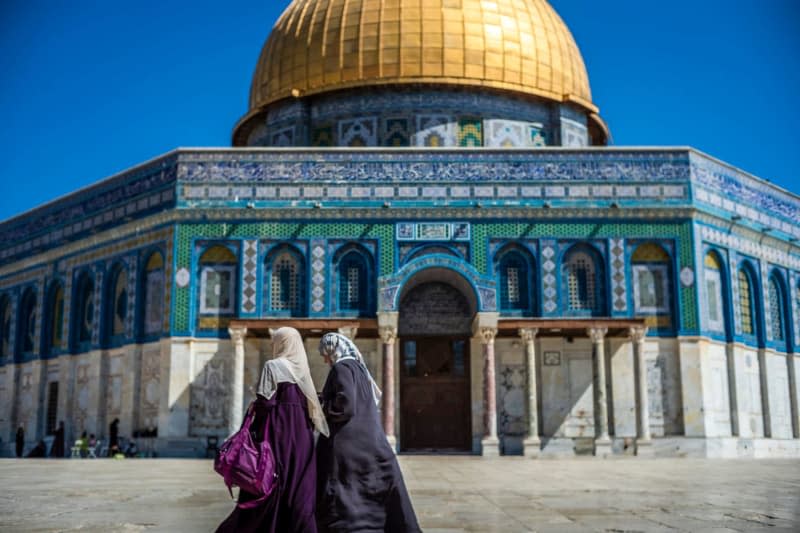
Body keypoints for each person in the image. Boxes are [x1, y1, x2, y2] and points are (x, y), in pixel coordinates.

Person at [216, 327, 329, 533]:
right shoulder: (303, 371)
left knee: (270, 480)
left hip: (278, 433)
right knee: (297, 484)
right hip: (302, 435)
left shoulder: (273, 366)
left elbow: (265, 403)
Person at [316, 333, 420, 533]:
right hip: (369, 440)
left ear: (332, 349)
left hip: (347, 444)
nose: (325, 359)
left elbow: (345, 406)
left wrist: (321, 407)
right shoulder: (359, 369)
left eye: (325, 354)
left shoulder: (341, 368)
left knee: (344, 491)